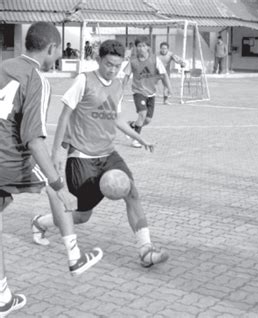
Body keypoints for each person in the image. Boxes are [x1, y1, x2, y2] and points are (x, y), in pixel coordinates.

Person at [31, 39, 169, 269]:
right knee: (83, 216)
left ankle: (145, 249)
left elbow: (114, 117)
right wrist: (57, 152)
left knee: (132, 192)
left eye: (117, 66)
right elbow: (65, 115)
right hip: (82, 157)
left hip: (108, 154)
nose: (113, 70)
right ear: (98, 60)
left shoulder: (117, 85)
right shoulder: (83, 80)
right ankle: (41, 221)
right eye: (108, 64)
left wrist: (139, 137)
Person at [0, 22, 102, 316]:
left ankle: (4, 298)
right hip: (9, 161)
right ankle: (74, 256)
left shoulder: (4, 66)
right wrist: (59, 184)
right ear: (52, 48)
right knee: (53, 184)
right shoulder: (36, 79)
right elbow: (33, 140)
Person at [122, 36, 173, 148]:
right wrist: (120, 90)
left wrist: (169, 88)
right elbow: (126, 76)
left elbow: (164, 75)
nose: (141, 48)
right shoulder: (133, 61)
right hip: (138, 92)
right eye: (139, 46)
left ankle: (131, 125)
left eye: (143, 46)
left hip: (151, 93)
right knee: (142, 114)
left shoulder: (155, 59)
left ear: (148, 47)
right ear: (136, 48)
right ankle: (136, 139)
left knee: (148, 120)